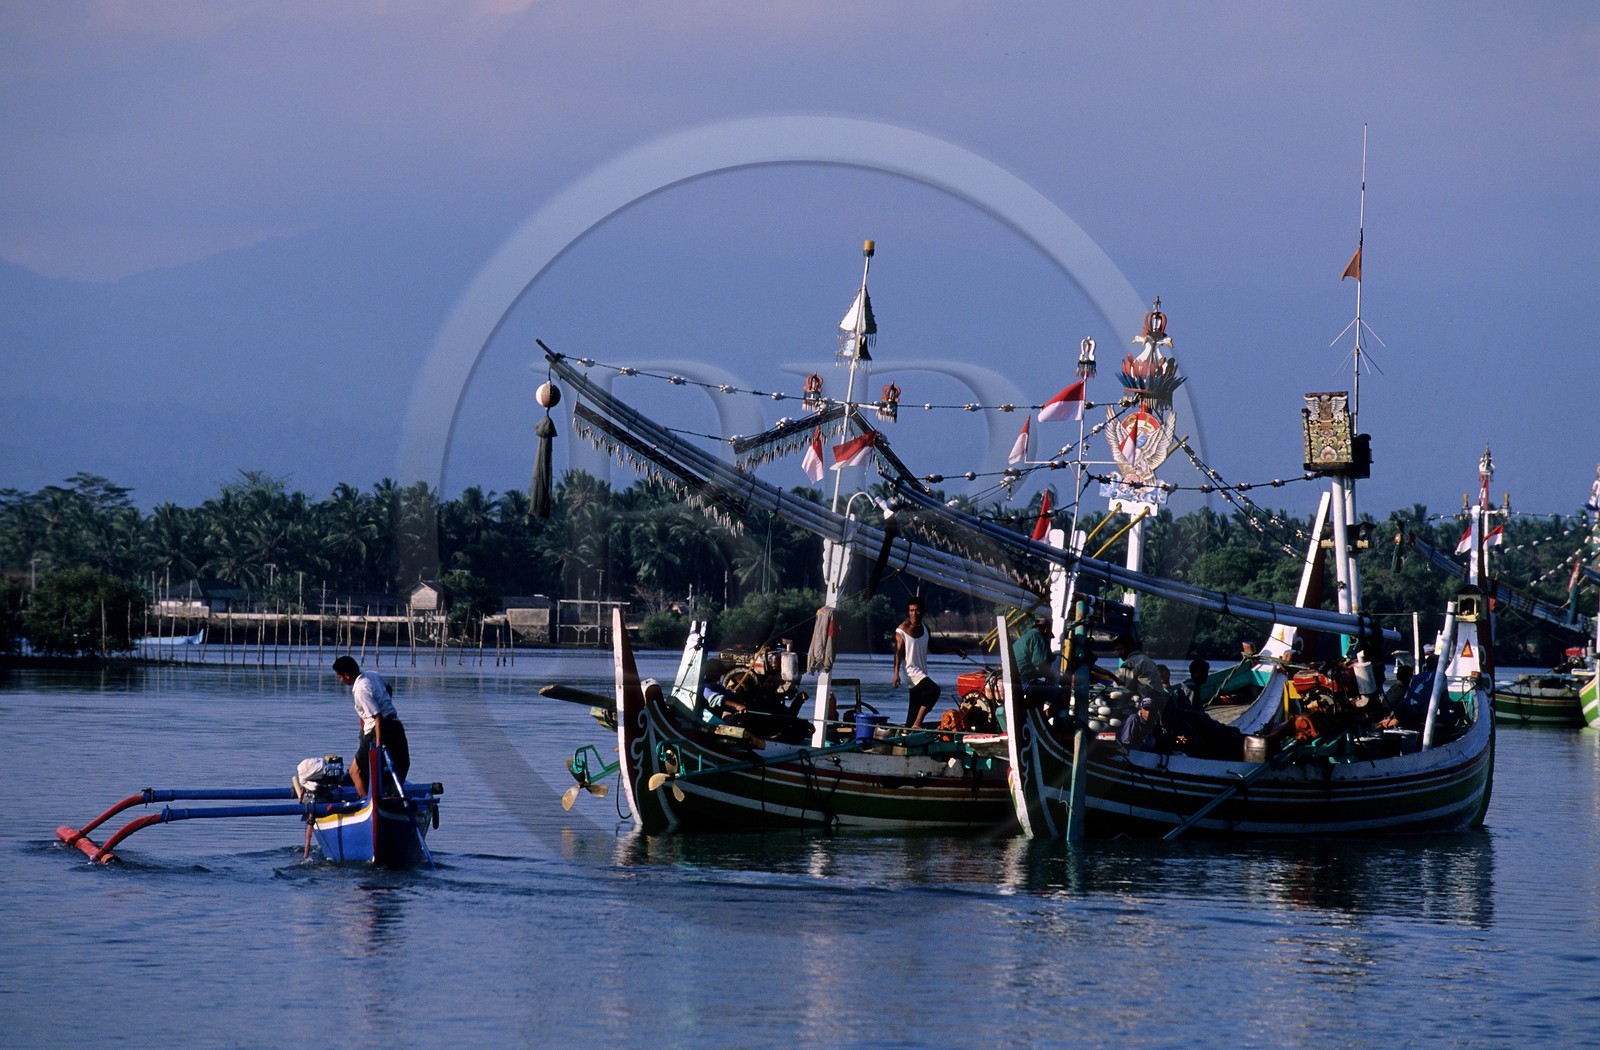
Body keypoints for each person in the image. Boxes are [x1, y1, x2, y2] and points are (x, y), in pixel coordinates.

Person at [333, 655, 410, 796]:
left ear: (347, 675)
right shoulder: (372, 675)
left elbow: (378, 718)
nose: (340, 681)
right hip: (395, 724)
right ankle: (392, 795)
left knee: (354, 771)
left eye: (340, 677)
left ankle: (367, 803)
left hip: (377, 730)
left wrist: (377, 744)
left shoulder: (360, 690)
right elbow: (388, 689)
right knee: (402, 764)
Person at [892, 596, 962, 728]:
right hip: (911, 672)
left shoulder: (925, 629)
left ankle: (907, 732)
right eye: (911, 610)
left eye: (917, 610)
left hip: (921, 672)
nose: (914, 614)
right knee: (934, 691)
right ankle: (918, 724)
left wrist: (954, 649)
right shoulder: (903, 628)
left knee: (913, 709)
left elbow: (934, 649)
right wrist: (896, 674)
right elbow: (898, 652)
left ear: (923, 611)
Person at [1107, 634, 1169, 713]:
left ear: (1130, 647)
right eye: (1117, 650)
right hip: (1159, 701)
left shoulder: (1130, 663)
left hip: (1148, 703)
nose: (1119, 653)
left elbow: (1121, 688)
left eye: (1121, 649)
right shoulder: (1145, 659)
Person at [1012, 615, 1055, 682]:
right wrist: (1051, 675)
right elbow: (1040, 663)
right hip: (1025, 679)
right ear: (1046, 630)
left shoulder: (1024, 637)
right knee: (1058, 691)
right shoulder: (1039, 637)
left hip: (1014, 678)